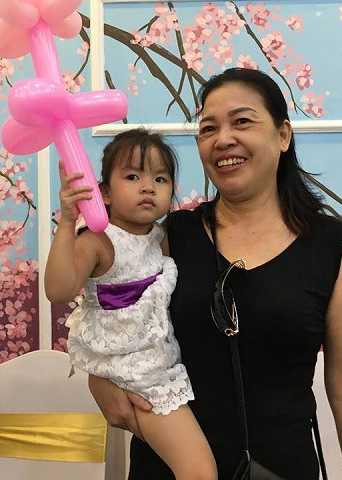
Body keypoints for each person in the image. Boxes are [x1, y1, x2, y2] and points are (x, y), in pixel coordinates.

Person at [88, 68, 342, 479]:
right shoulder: (170, 235)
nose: (223, 139)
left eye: (242, 121)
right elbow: (114, 315)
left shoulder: (331, 245)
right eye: (208, 128)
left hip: (281, 469)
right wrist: (99, 378)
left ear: (283, 135)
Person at [44, 128, 218, 480]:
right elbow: (59, 291)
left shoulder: (160, 237)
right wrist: (67, 221)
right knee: (198, 471)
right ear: (104, 192)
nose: (148, 187)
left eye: (160, 179)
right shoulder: (98, 241)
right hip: (137, 375)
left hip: (161, 363)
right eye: (133, 176)